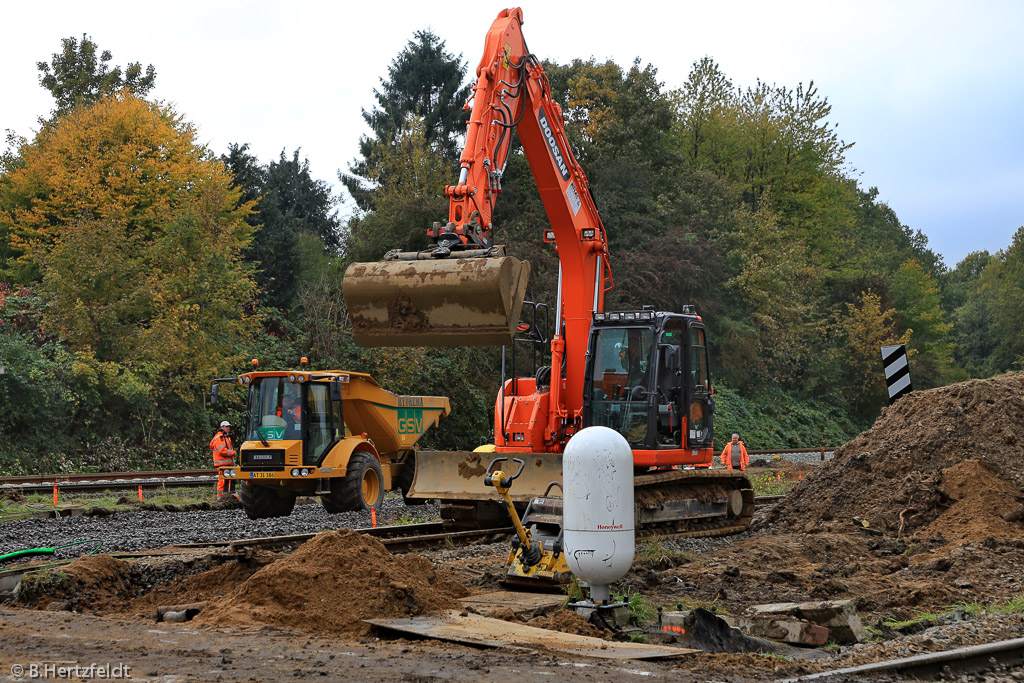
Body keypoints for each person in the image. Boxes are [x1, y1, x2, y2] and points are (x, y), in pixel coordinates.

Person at [209, 420, 237, 498]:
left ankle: (227, 495)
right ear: (222, 427)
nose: (228, 428)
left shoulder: (225, 437)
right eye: (226, 427)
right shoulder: (220, 438)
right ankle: (221, 496)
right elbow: (222, 451)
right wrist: (233, 453)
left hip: (226, 463)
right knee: (223, 480)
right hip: (222, 463)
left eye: (229, 427)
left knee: (227, 479)